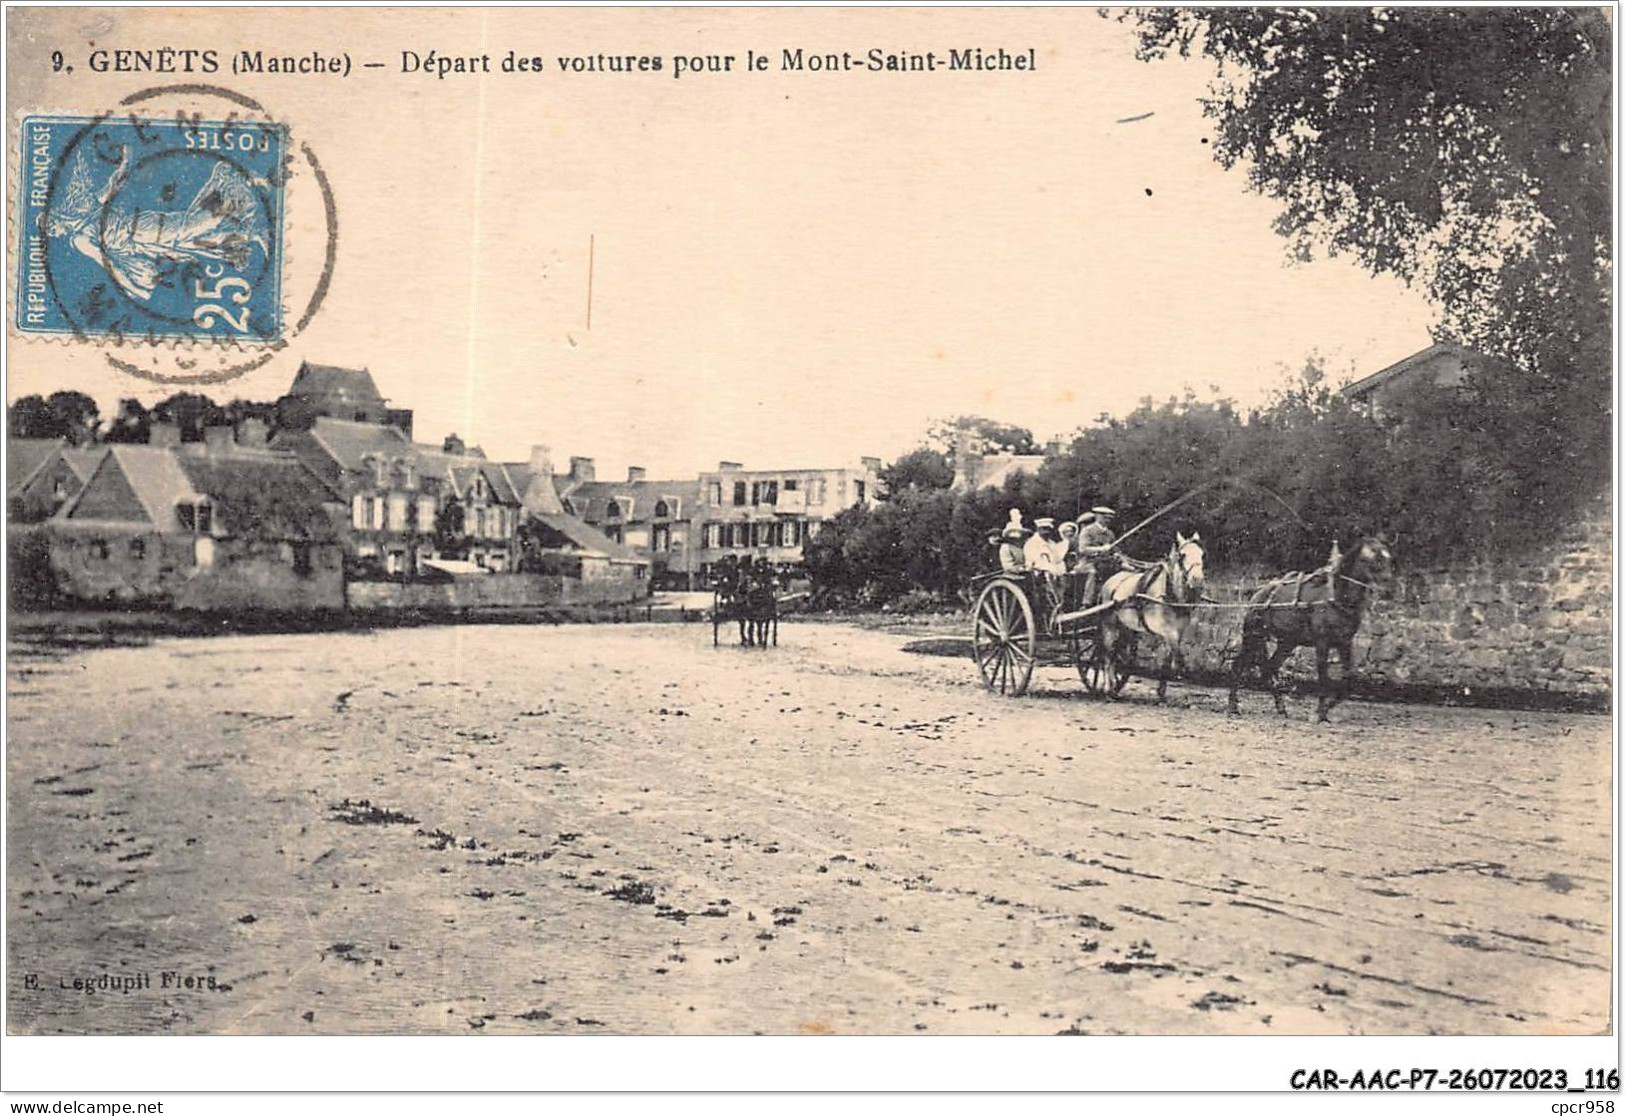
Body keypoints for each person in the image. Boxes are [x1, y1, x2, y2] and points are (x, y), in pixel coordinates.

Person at [1076, 506, 1119, 607]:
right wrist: (1101, 549)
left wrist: (1116, 554)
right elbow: (1083, 549)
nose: (1108, 520)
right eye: (1105, 517)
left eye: (1109, 518)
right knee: (1093, 572)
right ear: (1097, 517)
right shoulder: (1087, 530)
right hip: (1087, 562)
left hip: (1106, 562)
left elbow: (1115, 549)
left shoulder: (1110, 533)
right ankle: (1087, 603)